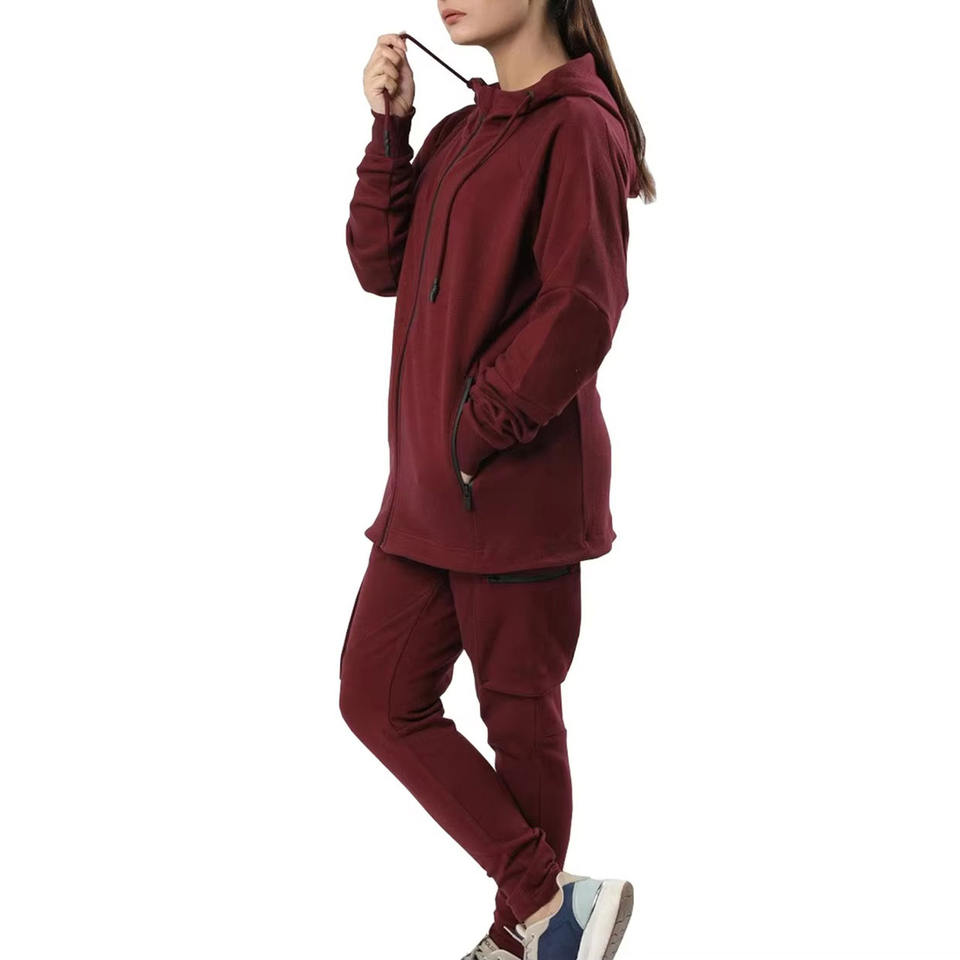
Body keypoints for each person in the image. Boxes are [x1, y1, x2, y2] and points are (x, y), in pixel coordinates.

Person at [339, 2, 655, 958]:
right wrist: (390, 132)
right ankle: (548, 907)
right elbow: (378, 264)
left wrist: (477, 430)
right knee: (376, 695)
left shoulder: (580, 127)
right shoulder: (462, 130)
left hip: (514, 494)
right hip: (431, 496)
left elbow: (582, 307)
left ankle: (528, 938)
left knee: (520, 722)